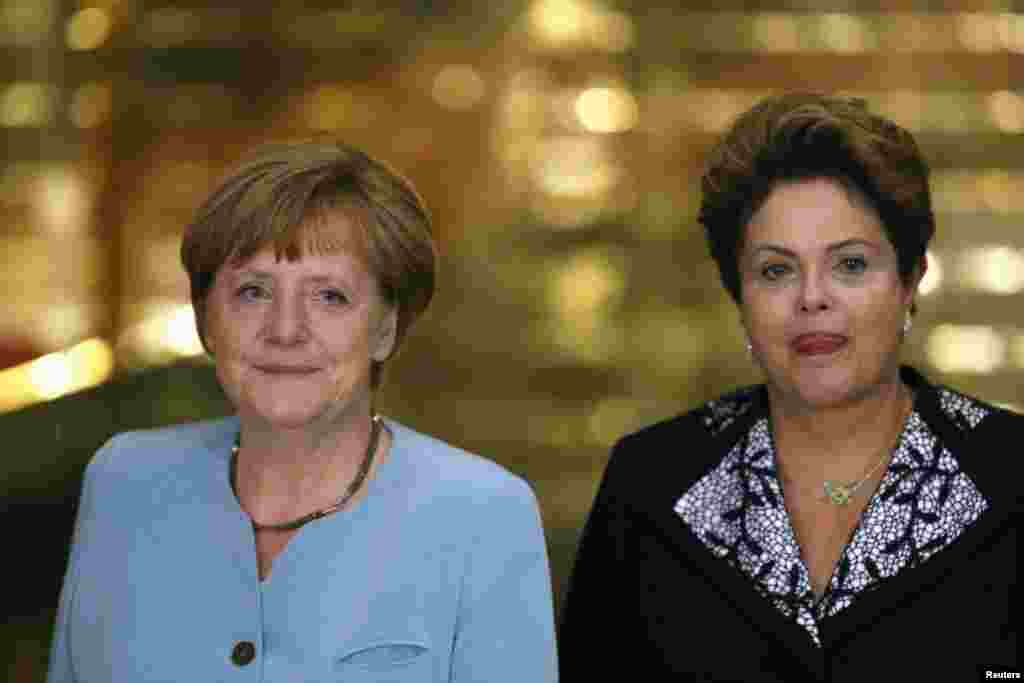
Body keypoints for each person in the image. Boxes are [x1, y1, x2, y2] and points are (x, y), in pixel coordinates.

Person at [48, 141, 557, 682]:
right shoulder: (123, 482)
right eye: (252, 292)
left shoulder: (483, 517)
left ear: (386, 327)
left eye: (330, 296)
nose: (285, 330)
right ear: (204, 321)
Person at [558, 94, 1019, 681]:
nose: (811, 298)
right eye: (776, 270)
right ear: (739, 297)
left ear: (910, 282)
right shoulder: (650, 485)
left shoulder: (1010, 474)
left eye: (850, 265)